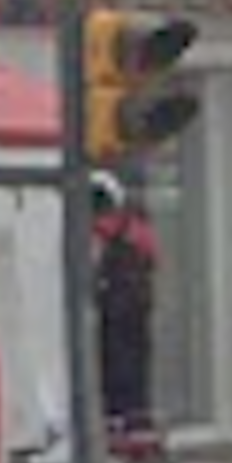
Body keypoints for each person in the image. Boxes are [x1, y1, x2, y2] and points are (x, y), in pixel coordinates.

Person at [93, 174, 162, 432]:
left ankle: (118, 414)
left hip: (114, 307)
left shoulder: (99, 230)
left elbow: (92, 265)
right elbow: (154, 261)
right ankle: (137, 413)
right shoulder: (139, 228)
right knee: (137, 361)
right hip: (139, 306)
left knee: (114, 361)